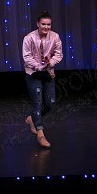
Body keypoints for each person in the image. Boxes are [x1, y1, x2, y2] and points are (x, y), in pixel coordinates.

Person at [22, 11, 62, 148]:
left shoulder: (55, 37)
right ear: (38, 24)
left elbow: (59, 54)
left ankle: (31, 118)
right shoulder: (29, 38)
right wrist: (39, 66)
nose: (46, 27)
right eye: (43, 24)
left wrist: (50, 62)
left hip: (48, 72)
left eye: (48, 24)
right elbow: (27, 57)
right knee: (37, 103)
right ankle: (40, 134)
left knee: (50, 104)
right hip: (33, 72)